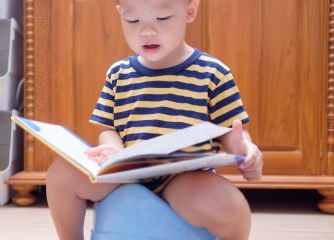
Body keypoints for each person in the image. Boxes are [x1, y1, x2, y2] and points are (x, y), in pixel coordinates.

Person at [46, 0, 263, 239]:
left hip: (185, 179)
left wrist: (245, 149)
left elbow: (230, 131)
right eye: (133, 21)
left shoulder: (213, 73)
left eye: (162, 19)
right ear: (121, 16)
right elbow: (109, 127)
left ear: (189, 12)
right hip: (125, 174)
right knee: (61, 174)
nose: (147, 31)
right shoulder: (118, 74)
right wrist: (112, 150)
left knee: (231, 206)